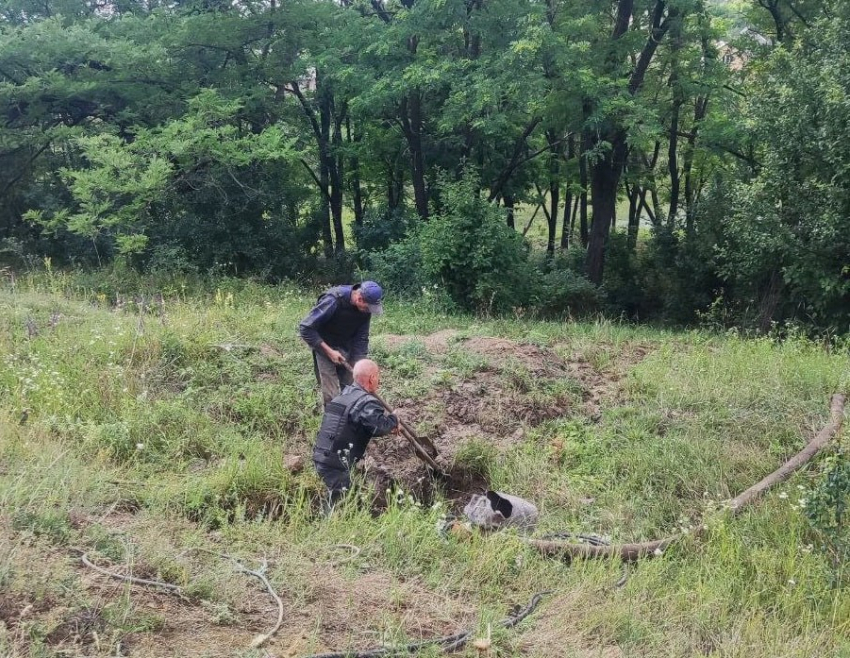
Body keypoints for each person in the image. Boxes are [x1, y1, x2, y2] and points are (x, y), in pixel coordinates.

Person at [312, 359, 399, 509]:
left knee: (351, 500)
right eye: (378, 375)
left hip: (322, 457)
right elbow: (379, 427)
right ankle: (326, 527)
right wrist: (394, 419)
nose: (379, 379)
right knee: (339, 506)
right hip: (336, 463)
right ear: (372, 378)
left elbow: (362, 424)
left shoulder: (344, 396)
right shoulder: (366, 402)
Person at [299, 281, 384, 407]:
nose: (368, 311)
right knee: (331, 395)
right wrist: (329, 351)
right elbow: (305, 328)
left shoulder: (365, 310)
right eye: (367, 308)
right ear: (360, 299)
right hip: (325, 347)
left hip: (347, 346)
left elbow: (362, 337)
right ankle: (332, 421)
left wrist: (359, 365)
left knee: (350, 391)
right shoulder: (333, 300)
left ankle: (348, 421)